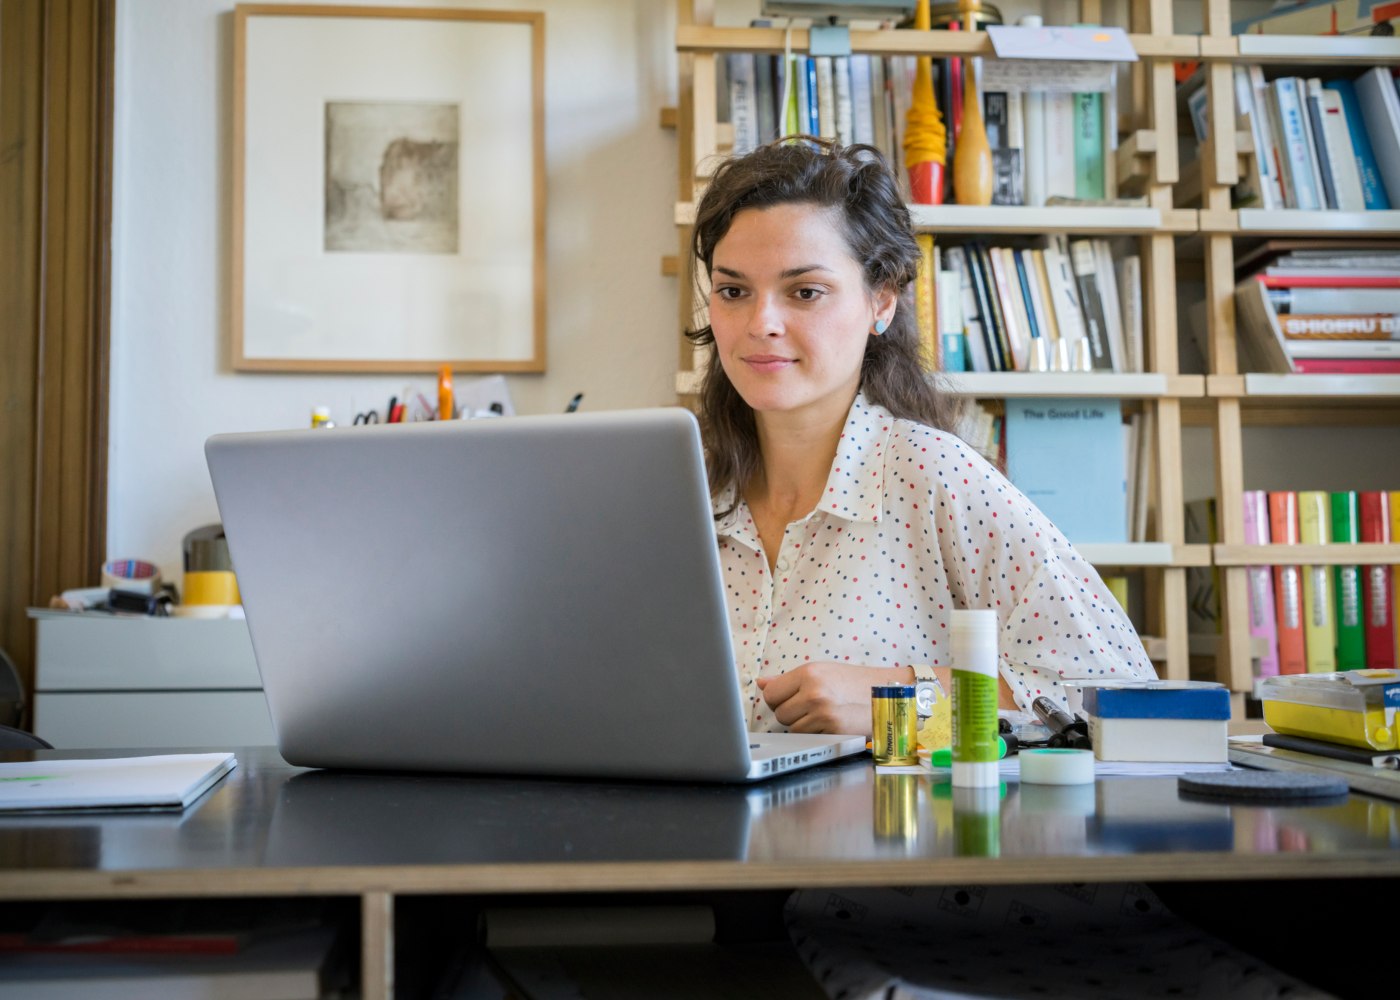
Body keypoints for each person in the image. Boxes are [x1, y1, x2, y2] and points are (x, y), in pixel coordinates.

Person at [686, 138, 1155, 736]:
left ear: (881, 300)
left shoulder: (932, 473)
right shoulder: (682, 492)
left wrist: (904, 701)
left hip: (896, 830)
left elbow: (1118, 688)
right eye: (733, 291)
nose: (761, 323)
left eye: (805, 291)